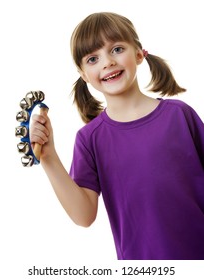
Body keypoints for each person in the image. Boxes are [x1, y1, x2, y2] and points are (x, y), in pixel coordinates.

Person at [30, 12, 204, 260]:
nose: (107, 62)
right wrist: (48, 157)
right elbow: (83, 216)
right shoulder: (89, 139)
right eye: (93, 58)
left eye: (117, 49)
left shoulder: (180, 116)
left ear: (139, 53)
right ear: (83, 74)